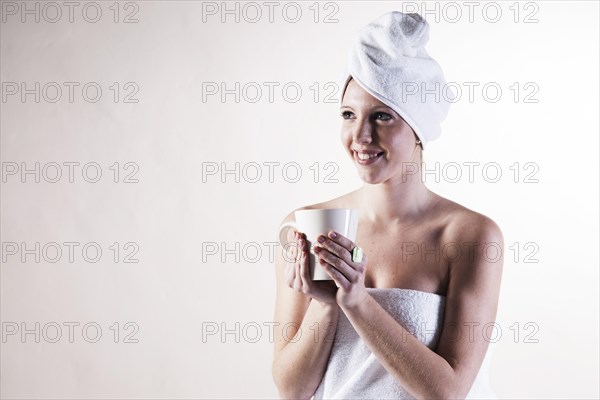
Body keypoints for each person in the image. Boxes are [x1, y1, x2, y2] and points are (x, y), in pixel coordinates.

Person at [272, 11, 503, 400]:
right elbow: (292, 389)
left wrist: (357, 300)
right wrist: (326, 304)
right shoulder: (307, 224)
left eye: (381, 116)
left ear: (419, 129)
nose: (360, 136)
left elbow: (447, 391)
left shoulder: (469, 235)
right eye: (349, 115)